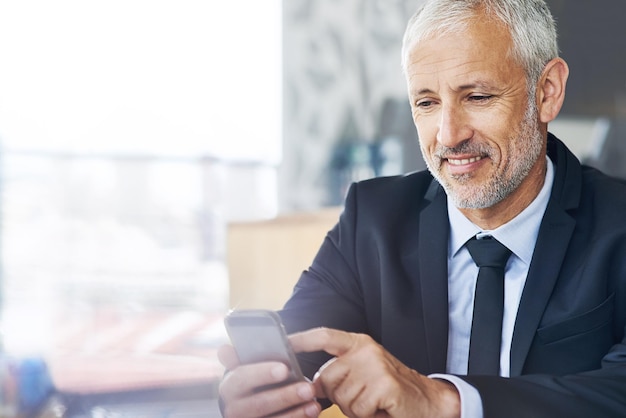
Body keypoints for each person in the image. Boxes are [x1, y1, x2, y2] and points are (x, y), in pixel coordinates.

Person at [218, 0, 626, 417]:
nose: (449, 136)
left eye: (478, 96)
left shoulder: (618, 223)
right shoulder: (373, 219)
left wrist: (444, 402)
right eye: (427, 103)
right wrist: (262, 390)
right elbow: (302, 347)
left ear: (547, 91)